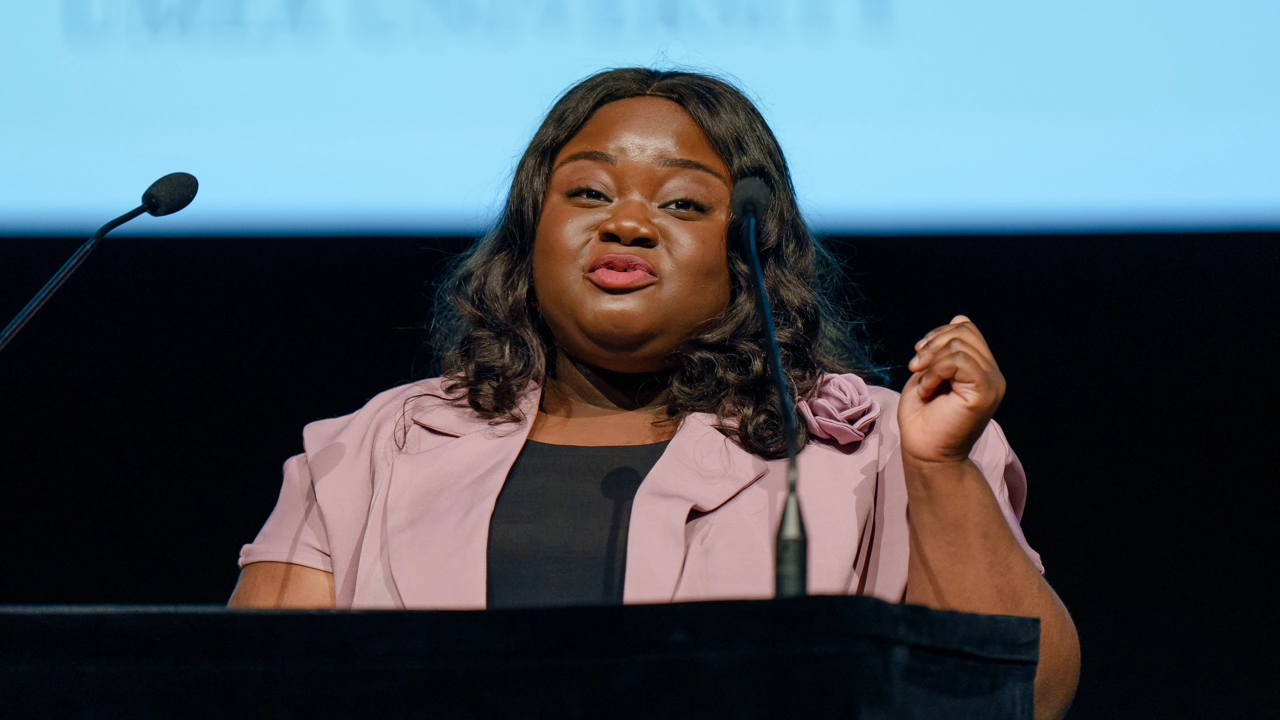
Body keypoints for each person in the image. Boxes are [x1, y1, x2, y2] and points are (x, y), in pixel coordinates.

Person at [228, 68, 1080, 717]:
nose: (626, 222)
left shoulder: (891, 444)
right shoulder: (375, 446)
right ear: (531, 235)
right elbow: (246, 692)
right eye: (588, 192)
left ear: (747, 255)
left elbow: (1021, 697)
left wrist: (940, 473)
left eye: (680, 201)